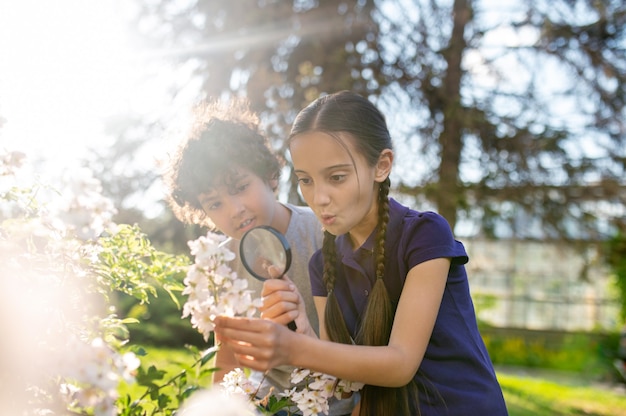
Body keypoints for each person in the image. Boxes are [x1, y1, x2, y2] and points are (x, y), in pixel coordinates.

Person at [214, 91, 509, 415]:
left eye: (336, 177)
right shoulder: (322, 264)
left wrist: (296, 349)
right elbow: (341, 383)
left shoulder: (424, 235)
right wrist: (303, 328)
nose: (319, 197)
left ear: (381, 166)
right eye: (306, 180)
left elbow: (400, 363)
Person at [163, 98, 356, 415]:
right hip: (267, 405)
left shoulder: (326, 235)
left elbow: (367, 344)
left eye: (240, 187)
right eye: (214, 204)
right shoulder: (221, 264)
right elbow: (228, 360)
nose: (234, 209)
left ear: (269, 174)